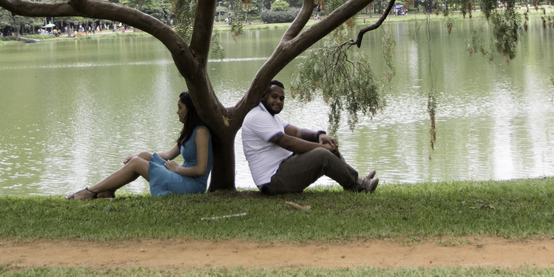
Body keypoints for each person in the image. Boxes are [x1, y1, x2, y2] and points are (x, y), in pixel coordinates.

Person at [66, 91, 212, 199]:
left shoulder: (201, 132)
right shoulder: (189, 130)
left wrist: (177, 169)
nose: (177, 111)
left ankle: (90, 191)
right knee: (142, 156)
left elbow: (201, 170)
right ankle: (107, 191)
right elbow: (168, 155)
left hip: (191, 185)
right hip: (181, 175)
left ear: (190, 109)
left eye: (180, 107)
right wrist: (138, 156)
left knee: (136, 163)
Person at [241, 80, 377, 194]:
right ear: (263, 96)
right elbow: (288, 143)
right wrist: (322, 147)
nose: (278, 101)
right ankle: (358, 186)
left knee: (329, 147)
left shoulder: (271, 117)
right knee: (323, 154)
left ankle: (357, 180)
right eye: (274, 97)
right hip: (272, 181)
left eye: (281, 98)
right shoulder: (257, 117)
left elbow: (297, 133)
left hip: (283, 169)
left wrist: (320, 135)